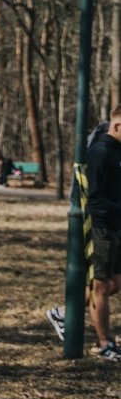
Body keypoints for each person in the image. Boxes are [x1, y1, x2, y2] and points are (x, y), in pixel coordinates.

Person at [67, 107, 121, 361]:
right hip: (101, 227)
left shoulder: (116, 152)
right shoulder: (100, 152)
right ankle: (104, 343)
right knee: (101, 285)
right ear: (117, 126)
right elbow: (94, 199)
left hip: (115, 226)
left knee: (115, 284)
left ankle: (66, 311)